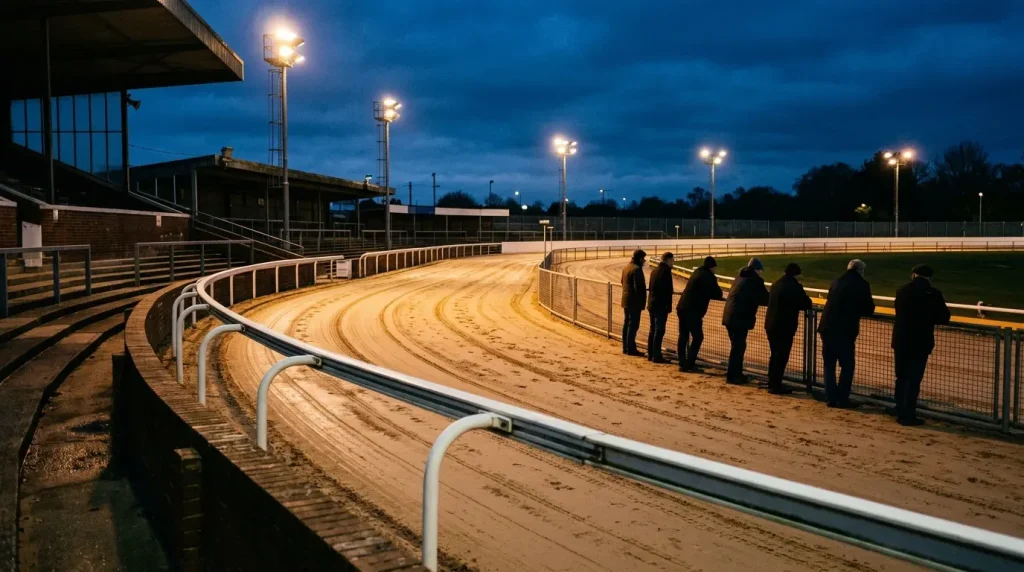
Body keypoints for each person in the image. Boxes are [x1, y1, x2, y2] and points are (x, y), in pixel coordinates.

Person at [891, 264, 950, 426]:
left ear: (914, 275)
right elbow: (944, 318)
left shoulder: (902, 290)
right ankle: (908, 415)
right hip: (920, 342)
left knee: (901, 377)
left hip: (901, 341)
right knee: (913, 380)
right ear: (930, 278)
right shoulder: (933, 293)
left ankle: (899, 408)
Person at [816, 259, 875, 408]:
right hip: (844, 331)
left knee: (829, 365)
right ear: (860, 271)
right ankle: (843, 398)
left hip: (827, 328)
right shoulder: (862, 284)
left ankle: (830, 397)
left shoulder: (836, 281)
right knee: (847, 365)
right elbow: (869, 309)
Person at [764, 263, 812, 395]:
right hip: (784, 327)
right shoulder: (794, 286)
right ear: (796, 274)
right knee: (781, 356)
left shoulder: (776, 284)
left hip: (770, 324)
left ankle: (772, 382)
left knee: (774, 355)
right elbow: (807, 303)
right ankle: (775, 385)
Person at [722, 257, 769, 384]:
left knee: (736, 346)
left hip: (729, 316)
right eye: (760, 271)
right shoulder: (755, 280)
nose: (760, 273)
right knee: (738, 347)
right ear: (756, 270)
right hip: (740, 318)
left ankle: (734, 374)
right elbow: (765, 298)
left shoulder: (739, 277)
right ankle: (733, 376)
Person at [677, 256, 724, 372]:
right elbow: (718, 293)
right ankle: (690, 363)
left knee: (683, 336)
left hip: (682, 307)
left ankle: (682, 363)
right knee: (698, 337)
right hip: (693, 310)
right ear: (712, 267)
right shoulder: (708, 276)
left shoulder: (697, 272)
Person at [646, 252, 674, 363]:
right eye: (672, 260)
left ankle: (651, 353)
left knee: (653, 329)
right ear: (667, 260)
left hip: (652, 303)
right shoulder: (666, 272)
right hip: (660, 305)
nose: (673, 262)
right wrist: (668, 306)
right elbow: (668, 291)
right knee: (659, 330)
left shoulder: (654, 271)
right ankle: (656, 356)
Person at [620, 249, 647, 356]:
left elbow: (622, 281)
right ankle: (631, 348)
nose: (644, 261)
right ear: (640, 258)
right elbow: (639, 287)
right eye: (643, 259)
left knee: (627, 324)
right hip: (634, 302)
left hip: (626, 300)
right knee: (633, 325)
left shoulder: (626, 267)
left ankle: (626, 347)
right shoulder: (636, 269)